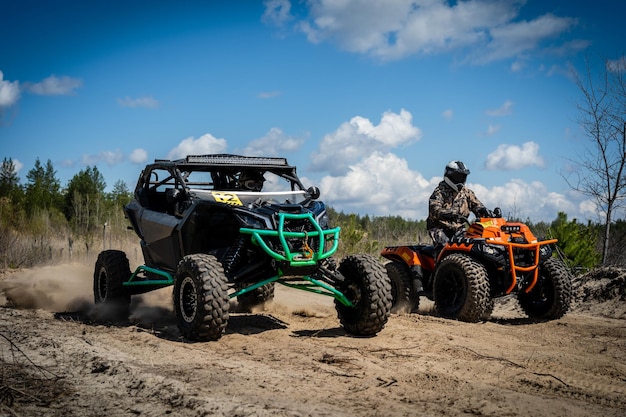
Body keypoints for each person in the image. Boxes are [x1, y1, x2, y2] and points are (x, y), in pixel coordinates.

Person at [427, 161, 490, 246]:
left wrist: (483, 210)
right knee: (446, 246)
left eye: (463, 177)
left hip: (460, 229)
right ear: (449, 175)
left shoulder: (467, 192)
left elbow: (477, 205)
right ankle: (441, 259)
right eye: (458, 176)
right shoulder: (439, 192)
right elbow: (434, 210)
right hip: (440, 228)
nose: (461, 179)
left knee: (474, 245)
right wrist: (449, 214)